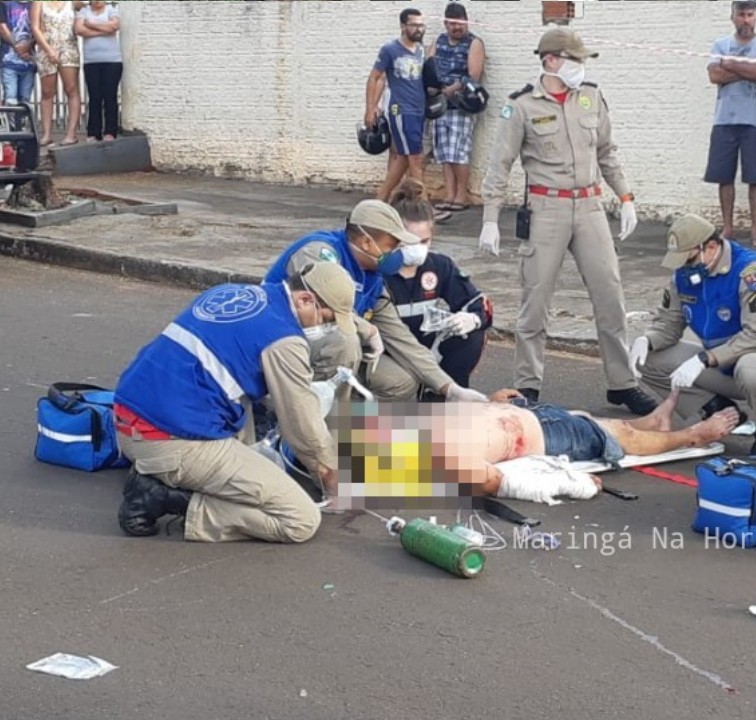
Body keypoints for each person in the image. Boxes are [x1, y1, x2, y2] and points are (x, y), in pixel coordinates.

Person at [479, 27, 657, 417]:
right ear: (551, 60)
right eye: (574, 60)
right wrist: (490, 217)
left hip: (590, 206)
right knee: (536, 300)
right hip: (546, 209)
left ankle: (622, 382)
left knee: (610, 295)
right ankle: (527, 384)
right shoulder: (522, 106)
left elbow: (608, 152)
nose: (581, 67)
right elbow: (499, 164)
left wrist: (625, 197)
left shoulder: (591, 97)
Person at [114, 262, 359, 543]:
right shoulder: (284, 340)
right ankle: (163, 499)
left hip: (127, 418)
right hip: (167, 442)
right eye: (326, 320)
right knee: (300, 519)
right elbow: (301, 427)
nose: (325, 328)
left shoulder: (233, 292)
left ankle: (167, 476)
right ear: (304, 300)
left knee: (255, 430)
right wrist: (330, 479)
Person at [263, 199, 488, 404]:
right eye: (392, 246)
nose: (398, 254)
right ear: (367, 243)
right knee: (346, 341)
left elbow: (400, 338)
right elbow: (323, 305)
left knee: (401, 382)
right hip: (281, 344)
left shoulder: (372, 278)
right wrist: (368, 330)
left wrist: (449, 388)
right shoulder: (320, 252)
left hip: (331, 350)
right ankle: (303, 421)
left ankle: (352, 425)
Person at [346, 388, 740, 500]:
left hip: (527, 412)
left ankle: (650, 420)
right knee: (620, 439)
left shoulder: (409, 429)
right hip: (545, 436)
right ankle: (691, 435)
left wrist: (493, 400)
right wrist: (571, 483)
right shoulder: (435, 461)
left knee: (607, 424)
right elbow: (501, 482)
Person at [631, 214, 756, 456]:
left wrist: (703, 360)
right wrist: (647, 340)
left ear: (710, 247)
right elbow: (670, 323)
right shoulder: (684, 274)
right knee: (649, 358)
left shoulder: (751, 272)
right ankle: (722, 411)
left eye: (688, 257)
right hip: (721, 367)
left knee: (752, 368)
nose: (684, 266)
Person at [384, 179, 492, 392]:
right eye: (410, 242)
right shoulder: (377, 271)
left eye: (424, 241)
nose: (418, 249)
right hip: (388, 352)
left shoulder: (439, 266)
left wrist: (473, 318)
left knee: (472, 335)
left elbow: (478, 303)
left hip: (428, 350)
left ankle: (446, 400)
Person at [704, 0, 756, 248]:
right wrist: (749, 68)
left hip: (755, 121)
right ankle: (728, 228)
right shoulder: (720, 44)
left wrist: (731, 64)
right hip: (724, 119)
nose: (746, 19)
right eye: (741, 14)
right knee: (724, 177)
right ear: (732, 16)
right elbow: (714, 75)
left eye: (750, 14)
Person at [427, 2, 485, 217]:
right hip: (439, 104)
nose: (456, 28)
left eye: (460, 23)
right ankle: (449, 195)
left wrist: (452, 88)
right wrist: (431, 85)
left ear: (466, 20)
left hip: (461, 104)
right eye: (452, 24)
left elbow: (474, 75)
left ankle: (461, 196)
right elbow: (429, 65)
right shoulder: (438, 42)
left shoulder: (474, 43)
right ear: (445, 24)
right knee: (444, 153)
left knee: (459, 152)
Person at [365, 7, 428, 202]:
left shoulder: (421, 51)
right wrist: (370, 109)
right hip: (401, 110)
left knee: (402, 158)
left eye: (421, 25)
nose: (419, 29)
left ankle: (380, 199)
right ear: (403, 26)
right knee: (415, 159)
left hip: (419, 109)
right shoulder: (390, 50)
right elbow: (375, 78)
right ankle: (422, 206)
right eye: (414, 25)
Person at [31, 0, 80, 147]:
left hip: (68, 47)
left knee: (71, 89)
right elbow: (35, 28)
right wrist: (48, 49)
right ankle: (47, 134)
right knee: (47, 92)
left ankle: (71, 134)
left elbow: (89, 10)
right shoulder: (39, 2)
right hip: (47, 49)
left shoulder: (73, 2)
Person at [75, 0, 121, 143]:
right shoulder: (84, 11)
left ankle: (110, 132)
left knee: (110, 97)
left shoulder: (111, 10)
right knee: (94, 97)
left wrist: (91, 25)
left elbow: (115, 26)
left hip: (112, 61)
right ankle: (93, 132)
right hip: (91, 62)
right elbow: (78, 30)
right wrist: (103, 30)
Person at [0, 0, 36, 106]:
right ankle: (12, 123)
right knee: (11, 100)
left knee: (25, 101)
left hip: (28, 62)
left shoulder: (35, 4)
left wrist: (28, 45)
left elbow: (40, 29)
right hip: (9, 62)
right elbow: (2, 28)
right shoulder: (4, 3)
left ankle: (21, 123)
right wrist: (18, 47)